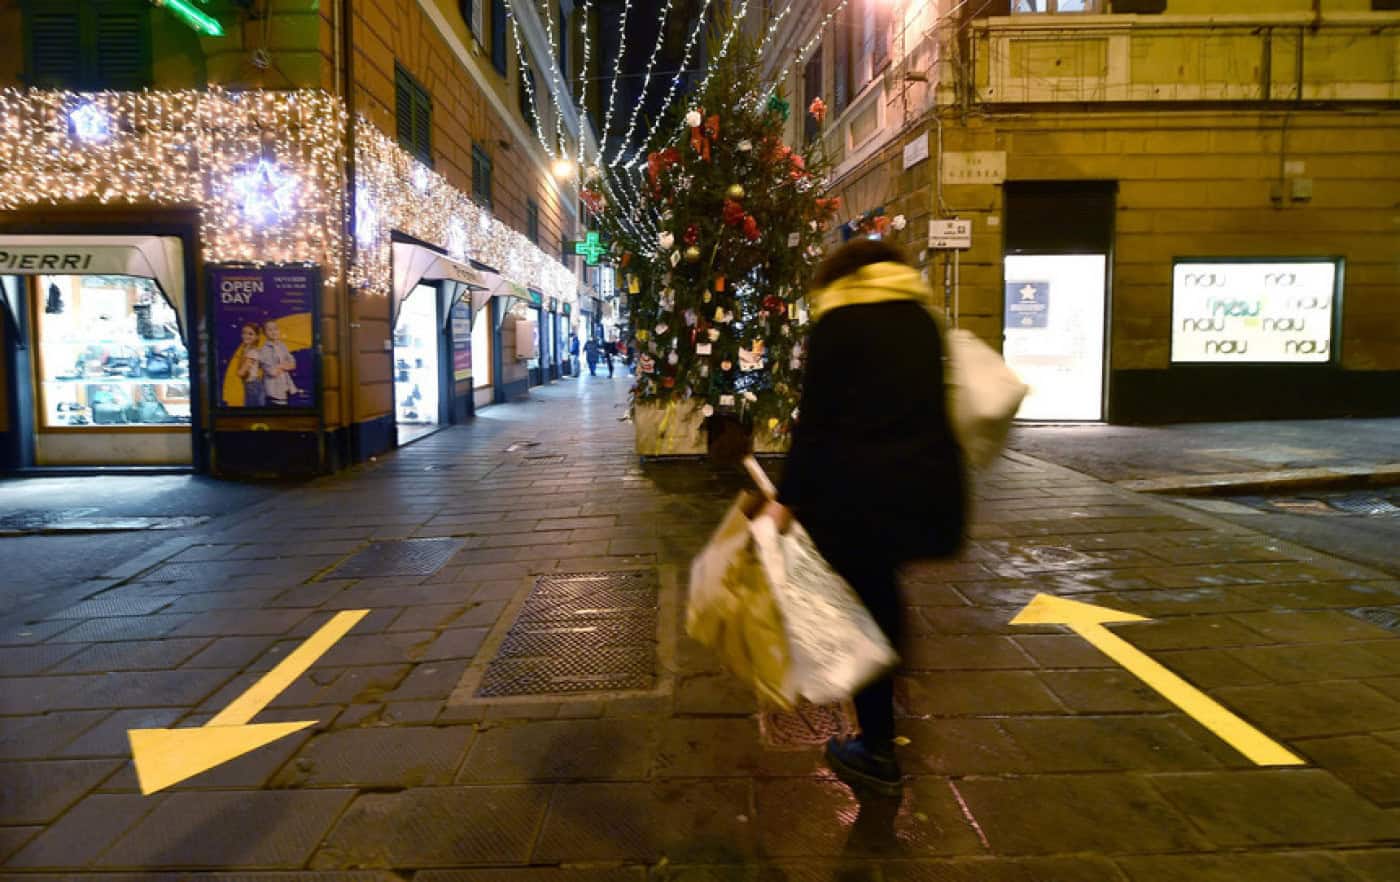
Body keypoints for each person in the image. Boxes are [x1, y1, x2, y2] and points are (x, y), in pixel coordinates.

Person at [762, 238, 966, 798]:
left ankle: (876, 748)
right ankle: (890, 678)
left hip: (856, 495)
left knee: (864, 611)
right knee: (882, 589)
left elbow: (819, 422)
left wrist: (788, 498)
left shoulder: (840, 323)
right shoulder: (921, 320)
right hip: (921, 488)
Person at [260, 319, 299, 406]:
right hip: (273, 390)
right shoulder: (264, 350)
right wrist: (284, 365)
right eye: (270, 330)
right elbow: (272, 372)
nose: (274, 332)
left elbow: (293, 364)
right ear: (264, 333)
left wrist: (279, 366)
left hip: (286, 386)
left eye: (275, 329)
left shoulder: (282, 346)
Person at [237, 322, 266, 407]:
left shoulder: (252, 352)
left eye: (250, 334)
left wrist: (239, 369)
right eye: (244, 333)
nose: (246, 336)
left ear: (257, 337)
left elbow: (241, 372)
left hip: (253, 386)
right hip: (250, 385)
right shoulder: (246, 350)